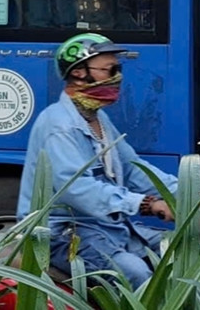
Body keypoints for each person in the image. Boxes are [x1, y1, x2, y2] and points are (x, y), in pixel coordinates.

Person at [17, 32, 178, 288]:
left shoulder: (97, 118)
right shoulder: (59, 126)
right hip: (61, 234)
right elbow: (79, 190)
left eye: (118, 69)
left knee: (177, 252)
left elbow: (133, 169)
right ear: (79, 72)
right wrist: (148, 205)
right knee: (135, 274)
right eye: (110, 69)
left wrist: (184, 193)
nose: (118, 77)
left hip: (106, 228)